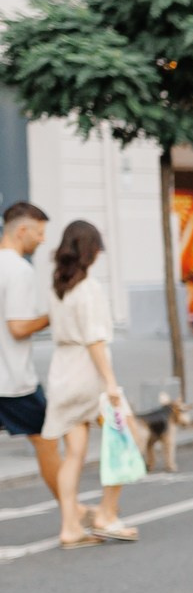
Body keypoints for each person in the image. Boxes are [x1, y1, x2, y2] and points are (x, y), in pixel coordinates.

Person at [44, 221, 131, 548]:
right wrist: (111, 384)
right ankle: (107, 514)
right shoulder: (89, 288)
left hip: (62, 370)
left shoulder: (58, 286)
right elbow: (95, 340)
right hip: (87, 371)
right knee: (123, 439)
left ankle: (69, 526)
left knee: (73, 455)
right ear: (90, 250)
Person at [0, 203, 61, 506]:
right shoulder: (20, 270)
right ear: (22, 230)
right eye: (39, 232)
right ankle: (71, 513)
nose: (42, 239)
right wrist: (53, 315)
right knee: (46, 439)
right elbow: (18, 327)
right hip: (12, 380)